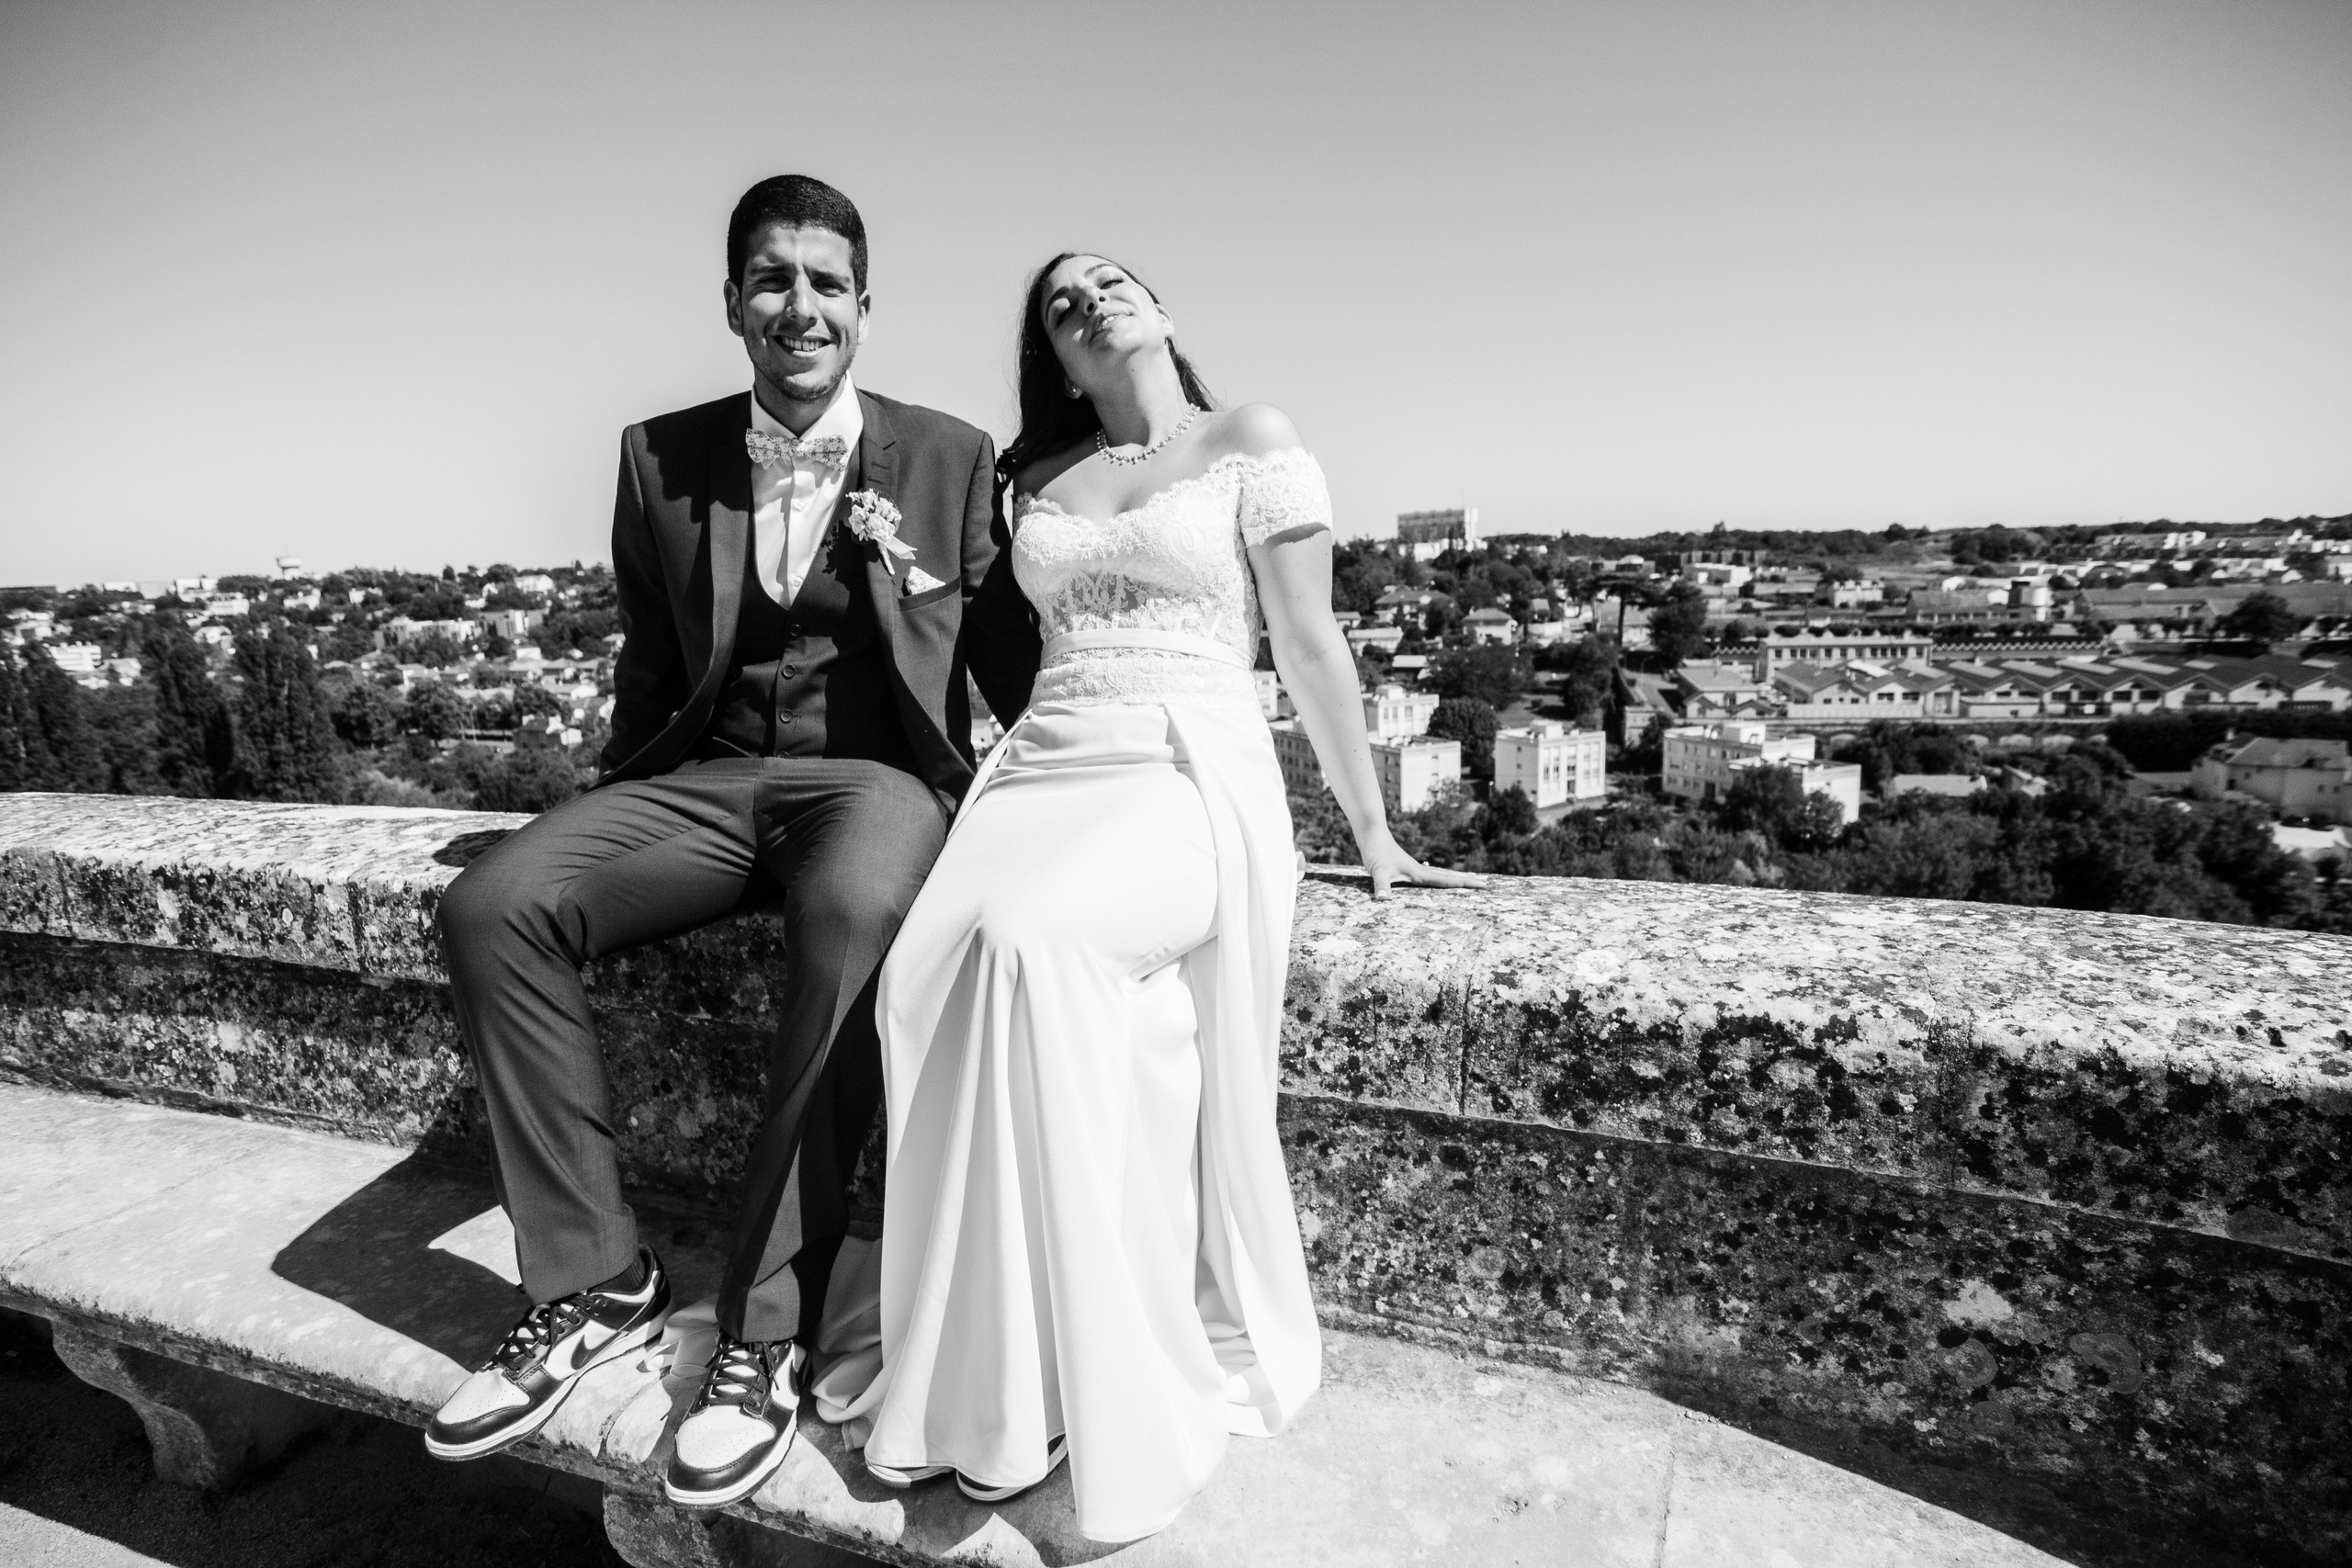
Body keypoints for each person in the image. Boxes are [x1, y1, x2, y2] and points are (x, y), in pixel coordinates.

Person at [810, 253, 1480, 1542]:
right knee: (920, 978)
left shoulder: (1250, 437)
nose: (1091, 304)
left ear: (1163, 312)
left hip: (1182, 760)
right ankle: (985, 1365)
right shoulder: (1036, 483)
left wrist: (1372, 829)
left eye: (1111, 283)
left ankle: (1079, 1376)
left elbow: (1309, 638)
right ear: (1056, 362)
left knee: (1032, 942)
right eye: (1062, 307)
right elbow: (973, 642)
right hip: (1040, 766)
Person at [422, 175, 1039, 1511]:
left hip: (878, 782)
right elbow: (653, 665)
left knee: (851, 918)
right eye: (771, 279)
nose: (799, 306)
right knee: (494, 905)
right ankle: (595, 1280)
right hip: (706, 781)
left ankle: (765, 1330)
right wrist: (601, 814)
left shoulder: (950, 455)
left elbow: (1016, 664)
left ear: (865, 308)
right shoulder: (659, 455)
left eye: (826, 283)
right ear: (731, 303)